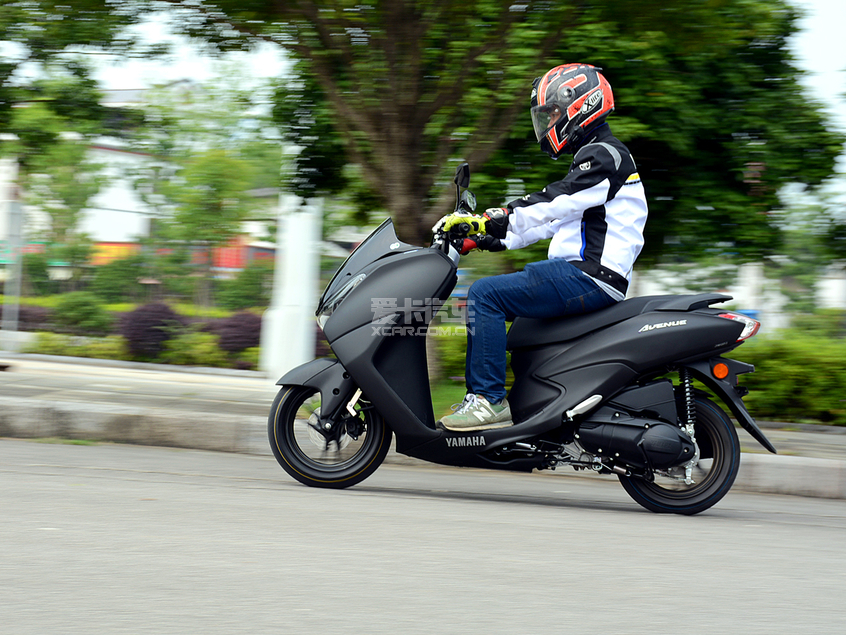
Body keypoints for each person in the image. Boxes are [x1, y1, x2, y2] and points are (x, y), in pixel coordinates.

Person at [435, 63, 648, 432]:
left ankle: (487, 401)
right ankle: (535, 415)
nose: (547, 124)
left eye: (552, 114)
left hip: (588, 276)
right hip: (583, 274)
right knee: (518, 330)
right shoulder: (594, 159)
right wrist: (485, 238)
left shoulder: (603, 156)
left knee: (485, 295)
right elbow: (550, 222)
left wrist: (492, 216)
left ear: (580, 106)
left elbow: (555, 201)